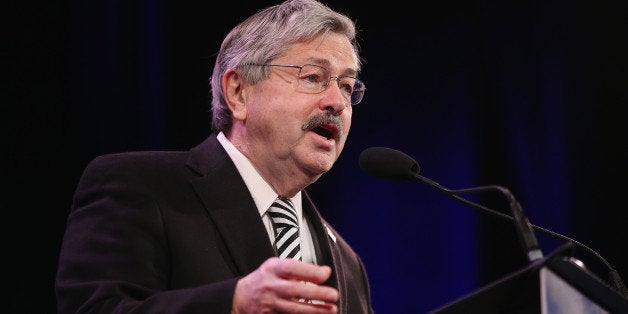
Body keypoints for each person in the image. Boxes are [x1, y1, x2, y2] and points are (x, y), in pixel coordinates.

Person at [55, 0, 374, 313]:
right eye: (313, 77)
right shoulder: (140, 187)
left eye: (347, 86)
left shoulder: (347, 262)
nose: (337, 102)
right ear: (238, 92)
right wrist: (233, 304)